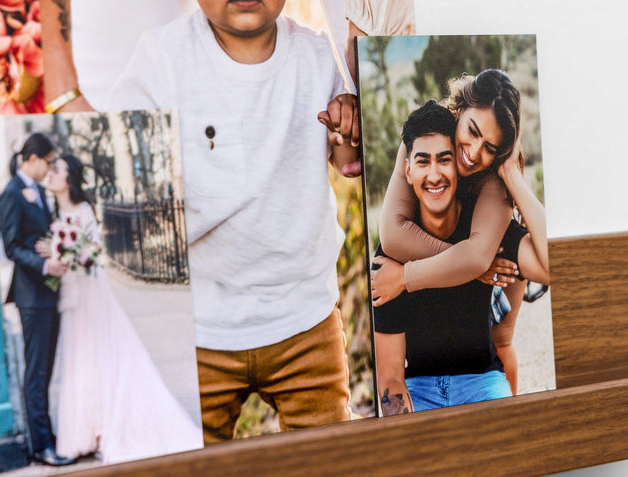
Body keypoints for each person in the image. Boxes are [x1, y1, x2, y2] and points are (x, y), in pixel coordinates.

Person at [108, 0, 361, 442]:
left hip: (304, 318)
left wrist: (348, 128)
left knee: (330, 454)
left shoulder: (317, 55)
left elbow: (349, 157)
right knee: (185, 453)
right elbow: (124, 173)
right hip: (198, 326)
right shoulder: (161, 58)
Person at [371, 69, 549, 394]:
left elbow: (497, 256)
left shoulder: (495, 175)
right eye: (472, 131)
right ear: (460, 108)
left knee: (500, 341)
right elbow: (393, 235)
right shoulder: (426, 136)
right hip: (465, 245)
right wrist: (469, 263)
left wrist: (511, 173)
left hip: (492, 243)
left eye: (491, 147)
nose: (474, 152)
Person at [42, 155, 203, 463]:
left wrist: (73, 253)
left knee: (99, 354)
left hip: (90, 291)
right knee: (79, 356)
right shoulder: (53, 211)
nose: (51, 175)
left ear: (69, 178)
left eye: (57, 170)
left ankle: (106, 427)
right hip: (69, 294)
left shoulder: (83, 209)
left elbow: (91, 250)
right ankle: (85, 431)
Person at [0, 134, 76, 467]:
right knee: (36, 372)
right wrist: (45, 264)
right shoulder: (12, 193)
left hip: (50, 293)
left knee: (45, 370)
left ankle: (48, 436)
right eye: (47, 160)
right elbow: (12, 246)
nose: (48, 167)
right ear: (32, 158)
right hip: (32, 297)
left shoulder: (40, 192)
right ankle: (41, 445)